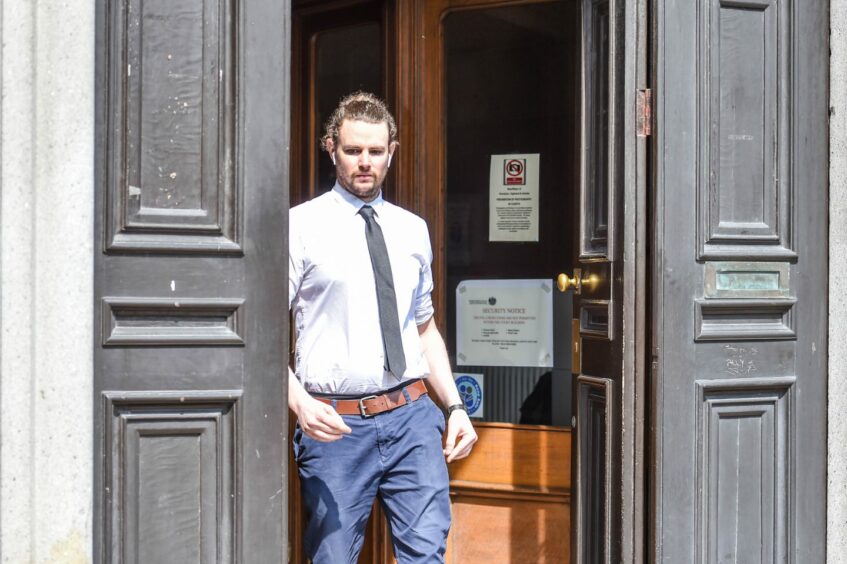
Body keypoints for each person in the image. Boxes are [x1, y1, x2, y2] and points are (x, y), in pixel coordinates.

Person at [288, 91, 477, 563]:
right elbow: (261, 337)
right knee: (331, 557)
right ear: (330, 148)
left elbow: (424, 330)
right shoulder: (299, 226)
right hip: (335, 424)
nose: (365, 163)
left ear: (392, 150)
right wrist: (298, 403)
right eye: (353, 151)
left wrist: (453, 406)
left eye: (376, 151)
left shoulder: (413, 229)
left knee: (426, 555)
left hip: (412, 417)